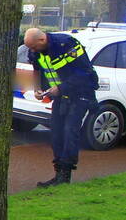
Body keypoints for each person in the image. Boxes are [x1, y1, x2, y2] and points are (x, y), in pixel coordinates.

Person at [23, 27, 99, 187]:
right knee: (56, 133)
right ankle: (58, 174)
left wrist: (61, 88)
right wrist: (38, 88)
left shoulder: (66, 45)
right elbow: (38, 70)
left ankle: (65, 175)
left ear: (42, 40)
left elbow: (85, 74)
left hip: (80, 94)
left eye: (34, 47)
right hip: (61, 96)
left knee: (69, 132)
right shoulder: (36, 51)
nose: (32, 51)